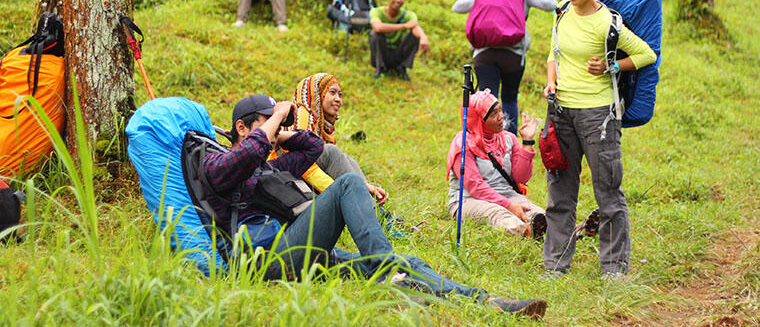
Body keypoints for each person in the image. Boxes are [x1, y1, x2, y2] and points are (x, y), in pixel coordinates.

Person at [200, 94, 547, 318]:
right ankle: (385, 272)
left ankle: (483, 302)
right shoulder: (219, 167)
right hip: (267, 260)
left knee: (407, 262)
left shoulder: (269, 166)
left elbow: (312, 150)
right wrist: (273, 122)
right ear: (242, 128)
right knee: (349, 183)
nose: (274, 126)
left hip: (303, 255)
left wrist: (281, 131)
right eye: (265, 121)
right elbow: (248, 152)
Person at [542, 0, 657, 278]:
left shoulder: (609, 23)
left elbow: (646, 54)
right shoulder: (561, 12)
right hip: (561, 111)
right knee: (559, 192)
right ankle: (555, 267)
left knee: (608, 192)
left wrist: (611, 66)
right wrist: (551, 82)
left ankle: (614, 270)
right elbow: (554, 53)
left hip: (599, 117)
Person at [452, 0, 557, 134]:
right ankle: (509, 144)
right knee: (509, 98)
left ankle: (488, 144)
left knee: (488, 102)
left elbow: (458, 6)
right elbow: (552, 4)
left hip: (483, 54)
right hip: (513, 55)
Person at [270, 73, 388, 204]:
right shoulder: (303, 114)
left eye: (340, 94)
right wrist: (343, 189)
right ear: (317, 93)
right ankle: (371, 210)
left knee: (348, 159)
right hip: (288, 179)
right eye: (332, 92)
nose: (338, 99)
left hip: (304, 176)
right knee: (332, 152)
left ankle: (374, 207)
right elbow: (301, 161)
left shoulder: (321, 122)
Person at [447, 89, 547, 239]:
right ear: (479, 120)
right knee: (498, 214)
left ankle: (575, 231)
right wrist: (509, 206)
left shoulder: (508, 139)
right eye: (493, 114)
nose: (501, 117)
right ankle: (528, 231)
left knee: (538, 213)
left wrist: (527, 143)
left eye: (500, 110)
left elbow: (521, 177)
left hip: (508, 195)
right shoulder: (463, 144)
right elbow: (476, 187)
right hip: (469, 200)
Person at [368, 0, 430, 81]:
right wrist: (404, 26)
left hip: (397, 54)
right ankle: (380, 68)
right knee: (375, 34)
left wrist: (423, 37)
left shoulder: (409, 15)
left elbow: (415, 26)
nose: (398, 0)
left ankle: (402, 67)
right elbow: (378, 27)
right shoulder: (376, 11)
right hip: (381, 53)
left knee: (415, 36)